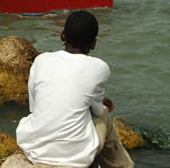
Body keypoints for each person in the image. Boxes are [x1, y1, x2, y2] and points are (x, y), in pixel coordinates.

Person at [15, 11, 134, 168]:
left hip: (34, 150)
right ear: (93, 43)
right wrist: (100, 105)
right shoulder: (99, 67)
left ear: (62, 35)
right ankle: (122, 165)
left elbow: (34, 107)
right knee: (104, 114)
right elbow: (98, 111)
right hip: (75, 158)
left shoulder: (41, 60)